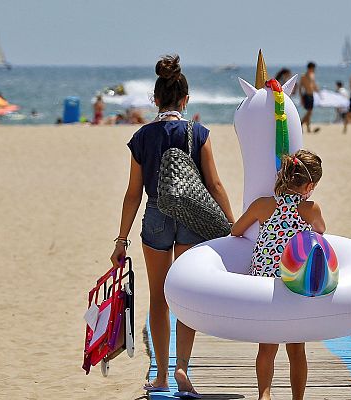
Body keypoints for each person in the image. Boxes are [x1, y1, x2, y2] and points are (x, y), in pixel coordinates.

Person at [110, 55, 235, 397]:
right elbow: (215, 184)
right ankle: (183, 368)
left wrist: (121, 239)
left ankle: (162, 376)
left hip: (156, 216)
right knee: (187, 296)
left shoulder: (142, 137)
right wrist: (232, 222)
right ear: (185, 99)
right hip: (194, 216)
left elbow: (133, 193)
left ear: (155, 99)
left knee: (160, 297)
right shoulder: (198, 132)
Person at [231, 150, 325, 400]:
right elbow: (322, 231)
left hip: (265, 287)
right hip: (293, 284)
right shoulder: (310, 209)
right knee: (297, 348)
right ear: (310, 185)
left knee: (267, 346)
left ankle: (264, 395)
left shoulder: (263, 205)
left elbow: (236, 230)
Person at [298, 62, 319, 133]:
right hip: (306, 95)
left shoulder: (312, 75)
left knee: (310, 112)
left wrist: (318, 91)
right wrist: (301, 98)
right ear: (310, 68)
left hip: (312, 95)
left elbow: (313, 85)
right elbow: (300, 87)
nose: (314, 69)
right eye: (313, 68)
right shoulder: (303, 76)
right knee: (309, 112)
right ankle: (300, 124)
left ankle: (308, 128)